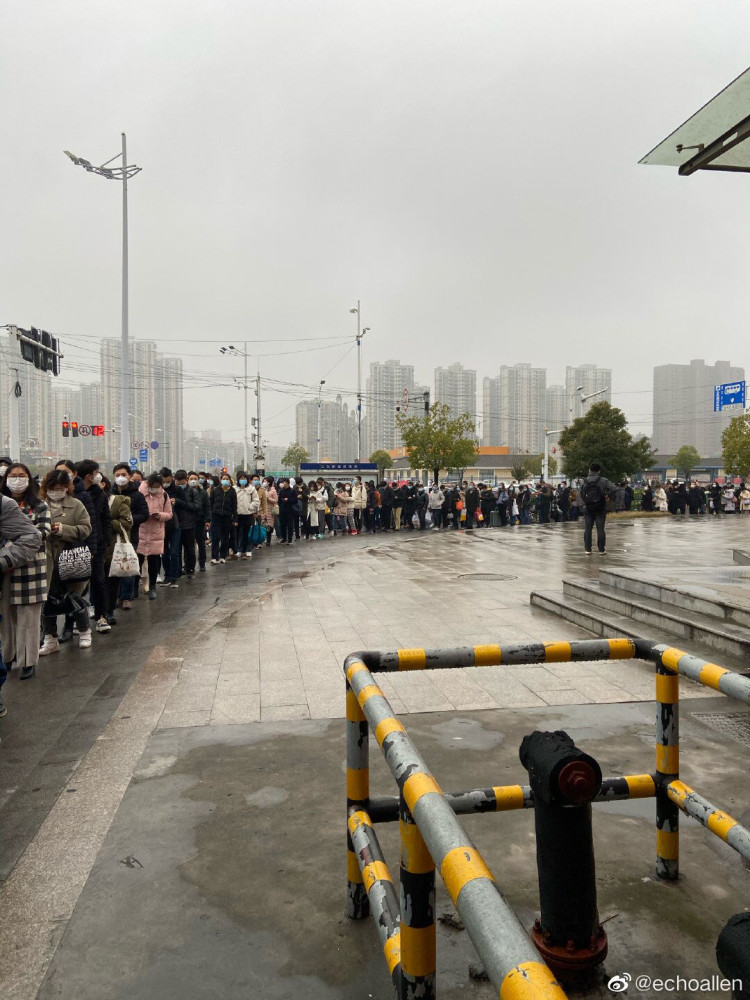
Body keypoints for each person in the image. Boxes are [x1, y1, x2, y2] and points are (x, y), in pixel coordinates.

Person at [1, 464, 50, 681]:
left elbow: (42, 533)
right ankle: (8, 656)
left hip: (30, 567)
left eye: (22, 476)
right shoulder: (4, 503)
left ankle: (28, 661)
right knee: (6, 617)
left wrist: (14, 541)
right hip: (5, 569)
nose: (17, 480)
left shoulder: (39, 505)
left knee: (28, 617)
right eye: (13, 476)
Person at [39, 469, 93, 653]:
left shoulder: (76, 505)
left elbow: (86, 528)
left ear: (67, 488)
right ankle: (49, 638)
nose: (56, 491)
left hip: (71, 558)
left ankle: (84, 631)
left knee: (74, 597)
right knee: (46, 600)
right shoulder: (39, 505)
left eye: (61, 488)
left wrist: (64, 530)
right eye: (53, 488)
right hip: (45, 560)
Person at [77, 459, 113, 633]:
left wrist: (106, 540)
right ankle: (75, 621)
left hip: (97, 545)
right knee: (75, 585)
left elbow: (106, 518)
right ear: (89, 476)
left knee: (98, 581)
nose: (99, 475)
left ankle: (101, 616)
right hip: (76, 545)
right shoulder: (74, 494)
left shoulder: (100, 494)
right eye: (96, 472)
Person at [111, 464, 149, 608]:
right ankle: (114, 596)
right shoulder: (110, 493)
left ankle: (126, 597)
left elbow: (144, 514)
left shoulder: (137, 495)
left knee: (127, 567)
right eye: (117, 475)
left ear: (129, 476)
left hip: (130, 536)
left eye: (123, 474)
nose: (120, 478)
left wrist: (130, 519)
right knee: (114, 568)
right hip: (113, 536)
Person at [103, 474, 132, 626]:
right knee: (98, 582)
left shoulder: (119, 501)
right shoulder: (86, 500)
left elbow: (127, 523)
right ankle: (98, 609)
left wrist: (108, 522)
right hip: (96, 547)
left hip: (115, 547)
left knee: (113, 580)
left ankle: (109, 610)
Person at [137, 473, 173, 598]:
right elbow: (134, 510)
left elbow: (169, 514)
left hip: (156, 532)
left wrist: (160, 516)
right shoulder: (140, 493)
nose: (156, 488)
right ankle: (135, 586)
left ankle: (152, 587)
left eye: (158, 486)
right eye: (154, 486)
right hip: (141, 530)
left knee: (154, 561)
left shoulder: (164, 494)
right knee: (137, 560)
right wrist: (144, 515)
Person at [172, 470, 205, 576]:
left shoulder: (192, 492)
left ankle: (189, 568)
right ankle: (177, 569)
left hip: (189, 524)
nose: (180, 485)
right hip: (175, 524)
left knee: (189, 548)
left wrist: (181, 503)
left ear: (186, 481)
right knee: (176, 550)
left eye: (182, 483)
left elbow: (197, 507)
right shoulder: (173, 491)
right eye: (178, 483)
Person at [580, 462, 616, 555]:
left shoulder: (584, 481)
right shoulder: (603, 480)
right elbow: (614, 489)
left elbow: (580, 494)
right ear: (599, 471)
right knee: (600, 529)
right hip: (600, 507)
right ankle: (601, 550)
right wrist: (608, 497)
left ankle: (588, 549)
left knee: (588, 528)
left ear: (589, 470)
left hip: (587, 508)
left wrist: (585, 502)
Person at [210, 473, 238, 561]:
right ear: (220, 480)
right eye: (223, 478)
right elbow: (210, 504)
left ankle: (222, 556)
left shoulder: (232, 491)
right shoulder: (215, 490)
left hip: (227, 517)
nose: (225, 480)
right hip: (216, 516)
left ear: (230, 480)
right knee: (215, 537)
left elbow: (234, 506)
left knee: (225, 537)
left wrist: (235, 519)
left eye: (227, 479)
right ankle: (215, 557)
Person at [277, 477, 298, 544]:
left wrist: (288, 500)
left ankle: (290, 539)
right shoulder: (281, 491)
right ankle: (284, 538)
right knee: (282, 525)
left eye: (285, 482)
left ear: (288, 483)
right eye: (283, 483)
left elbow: (295, 500)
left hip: (290, 510)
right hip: (282, 510)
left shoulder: (292, 491)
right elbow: (279, 500)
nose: (284, 484)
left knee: (290, 525)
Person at [259, 476, 277, 546]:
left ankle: (268, 540)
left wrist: (268, 499)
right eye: (264, 481)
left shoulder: (273, 491)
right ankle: (261, 540)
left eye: (266, 481)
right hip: (262, 510)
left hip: (270, 510)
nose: (264, 483)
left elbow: (276, 500)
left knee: (269, 526)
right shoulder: (261, 489)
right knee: (262, 524)